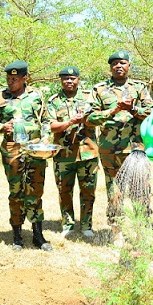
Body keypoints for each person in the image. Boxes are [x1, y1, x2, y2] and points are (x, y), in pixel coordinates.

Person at [86, 51, 153, 241]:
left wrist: (133, 109)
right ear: (110, 67)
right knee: (114, 192)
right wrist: (114, 110)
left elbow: (152, 112)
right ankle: (117, 233)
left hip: (136, 148)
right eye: (115, 63)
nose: (119, 66)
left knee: (140, 190)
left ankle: (141, 232)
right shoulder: (99, 89)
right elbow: (90, 118)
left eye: (122, 63)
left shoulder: (139, 88)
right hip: (110, 150)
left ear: (129, 66)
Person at [0, 60, 52, 252]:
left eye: (14, 79)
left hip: (35, 149)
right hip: (12, 149)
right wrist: (1, 127)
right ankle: (17, 235)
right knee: (16, 192)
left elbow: (46, 120)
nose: (10, 82)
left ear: (25, 78)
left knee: (35, 191)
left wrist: (46, 137)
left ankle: (38, 235)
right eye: (8, 78)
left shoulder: (36, 95)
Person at [47, 66, 99, 238]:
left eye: (72, 78)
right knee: (64, 191)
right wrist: (69, 122)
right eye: (65, 78)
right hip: (64, 155)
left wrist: (86, 119)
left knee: (88, 191)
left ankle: (86, 225)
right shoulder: (54, 101)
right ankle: (68, 224)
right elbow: (51, 126)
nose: (69, 81)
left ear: (78, 79)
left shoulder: (90, 98)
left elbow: (98, 118)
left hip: (88, 153)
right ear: (61, 81)